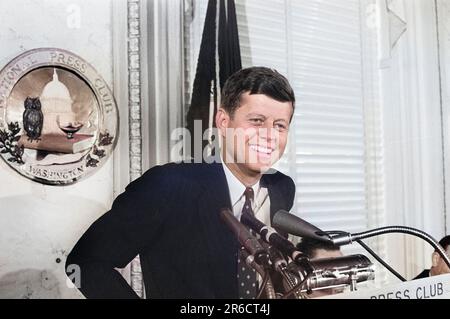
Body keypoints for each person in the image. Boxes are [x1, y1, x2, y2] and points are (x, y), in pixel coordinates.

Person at [65, 66, 296, 299]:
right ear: (224, 122)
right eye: (257, 121)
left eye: (280, 125)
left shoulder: (282, 188)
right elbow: (84, 262)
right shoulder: (167, 186)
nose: (270, 135)